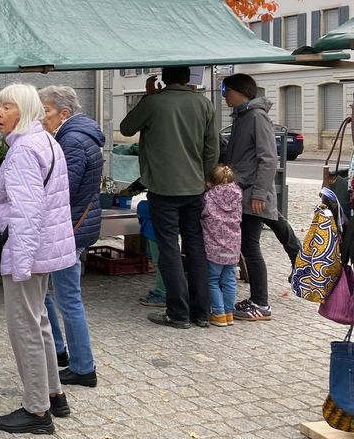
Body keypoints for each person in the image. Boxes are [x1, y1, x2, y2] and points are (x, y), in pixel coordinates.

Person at [0, 83, 77, 435]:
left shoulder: (25, 149)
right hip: (44, 249)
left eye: (7, 107)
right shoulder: (45, 141)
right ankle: (53, 395)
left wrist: (21, 264)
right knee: (39, 320)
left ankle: (36, 409)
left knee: (24, 326)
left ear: (24, 111)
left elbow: (27, 212)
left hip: (27, 250)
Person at [120, 66, 218, 329]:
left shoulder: (154, 103)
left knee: (169, 249)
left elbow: (126, 128)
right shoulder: (204, 104)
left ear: (164, 79)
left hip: (162, 188)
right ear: (189, 79)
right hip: (195, 187)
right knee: (195, 247)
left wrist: (147, 97)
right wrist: (205, 177)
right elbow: (212, 148)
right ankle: (201, 312)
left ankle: (178, 313)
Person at [38, 85, 103, 388]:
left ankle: (82, 367)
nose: (41, 118)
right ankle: (62, 352)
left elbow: (63, 189)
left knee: (67, 298)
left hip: (70, 229)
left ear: (64, 113)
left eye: (46, 112)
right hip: (73, 226)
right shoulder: (75, 135)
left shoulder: (73, 141)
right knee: (49, 292)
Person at [221, 73, 282, 321]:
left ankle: (261, 303)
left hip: (253, 195)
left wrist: (259, 193)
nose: (224, 94)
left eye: (226, 89)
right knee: (247, 246)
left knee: (251, 248)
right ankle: (257, 300)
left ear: (240, 91)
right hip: (242, 193)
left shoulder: (256, 116)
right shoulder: (242, 117)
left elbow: (268, 158)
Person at [202, 164, 243, 327]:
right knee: (230, 280)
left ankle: (218, 313)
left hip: (214, 248)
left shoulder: (209, 197)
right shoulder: (238, 195)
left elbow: (203, 214)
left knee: (212, 280)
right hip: (233, 247)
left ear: (210, 182)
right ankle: (229, 313)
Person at [136, 197, 166, 307]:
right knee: (163, 262)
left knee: (159, 262)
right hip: (165, 229)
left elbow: (142, 210)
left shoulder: (145, 206)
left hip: (154, 231)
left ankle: (161, 293)